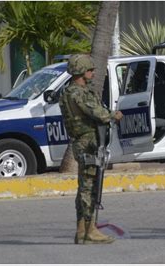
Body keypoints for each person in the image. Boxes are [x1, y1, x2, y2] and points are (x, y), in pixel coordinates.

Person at [59, 54, 123, 244]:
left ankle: (81, 230)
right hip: (88, 142)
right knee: (89, 188)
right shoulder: (77, 93)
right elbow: (99, 114)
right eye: (90, 70)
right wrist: (114, 115)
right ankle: (90, 230)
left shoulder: (70, 92)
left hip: (85, 141)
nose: (93, 72)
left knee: (84, 186)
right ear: (80, 72)